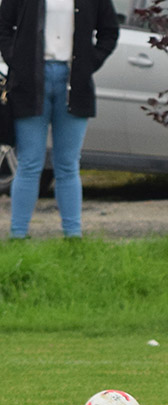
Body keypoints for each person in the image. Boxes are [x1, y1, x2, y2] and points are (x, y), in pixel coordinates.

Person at [0, 0, 119, 239]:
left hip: (74, 82)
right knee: (29, 163)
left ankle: (73, 235)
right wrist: (15, 60)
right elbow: (3, 26)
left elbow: (110, 31)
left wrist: (90, 62)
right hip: (30, 83)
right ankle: (18, 234)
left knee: (67, 164)